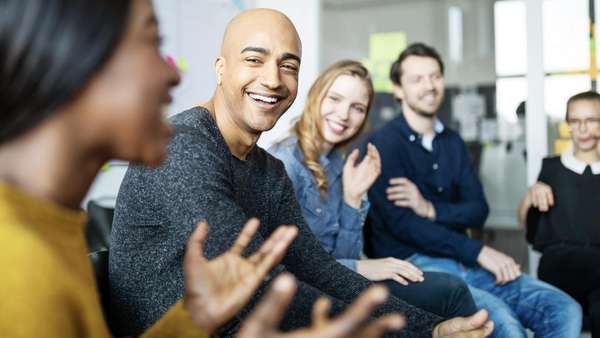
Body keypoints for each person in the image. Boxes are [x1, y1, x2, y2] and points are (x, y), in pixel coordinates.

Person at [0, 1, 409, 338]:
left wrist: (192, 321)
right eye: (150, 45)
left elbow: (312, 269)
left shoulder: (52, 229)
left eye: (289, 66)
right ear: (78, 63)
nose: (172, 73)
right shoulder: (19, 265)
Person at [109, 8, 494, 338]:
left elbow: (319, 269)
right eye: (254, 60)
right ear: (221, 70)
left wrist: (430, 329)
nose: (274, 79)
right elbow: (256, 284)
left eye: (288, 66)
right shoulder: (184, 145)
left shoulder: (268, 171)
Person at [363, 42, 582, 338]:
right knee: (503, 323)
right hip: (416, 266)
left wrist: (430, 208)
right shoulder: (384, 146)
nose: (429, 86)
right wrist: (477, 250)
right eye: (417, 79)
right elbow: (405, 226)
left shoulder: (452, 142)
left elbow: (478, 210)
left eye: (435, 76)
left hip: (463, 259)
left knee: (563, 308)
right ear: (398, 89)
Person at [269, 60, 477, 319]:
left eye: (357, 108)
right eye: (335, 99)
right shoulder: (285, 164)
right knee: (452, 292)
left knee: (448, 291)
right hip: (303, 295)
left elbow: (342, 257)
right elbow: (289, 265)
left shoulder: (337, 163)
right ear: (316, 97)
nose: (344, 114)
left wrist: (352, 198)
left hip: (335, 285)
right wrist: (363, 266)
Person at [518, 91, 600, 337]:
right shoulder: (551, 168)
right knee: (560, 317)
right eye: (575, 121)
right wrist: (531, 194)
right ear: (568, 125)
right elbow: (524, 221)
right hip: (559, 267)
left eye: (592, 120)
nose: (583, 129)